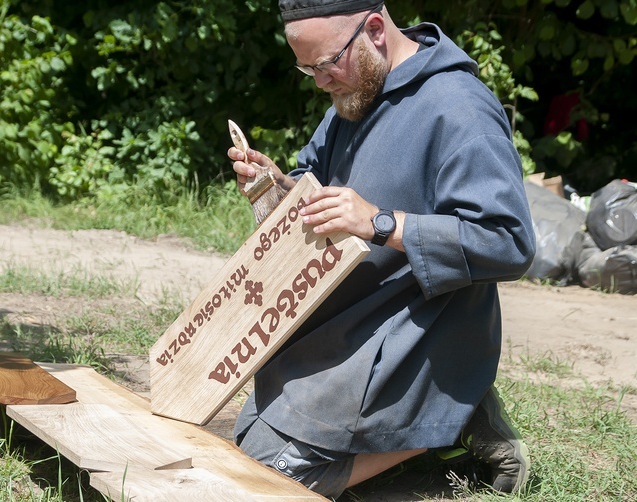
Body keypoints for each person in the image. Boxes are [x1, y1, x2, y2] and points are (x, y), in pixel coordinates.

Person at [227, 0, 536, 498]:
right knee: (246, 443)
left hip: (420, 331)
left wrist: (380, 223)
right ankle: (447, 420)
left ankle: (454, 416)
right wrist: (279, 188)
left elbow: (509, 241)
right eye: (306, 68)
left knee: (273, 476)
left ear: (374, 29)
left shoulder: (459, 108)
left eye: (326, 64)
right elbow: (318, 187)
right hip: (347, 326)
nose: (319, 81)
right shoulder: (354, 96)